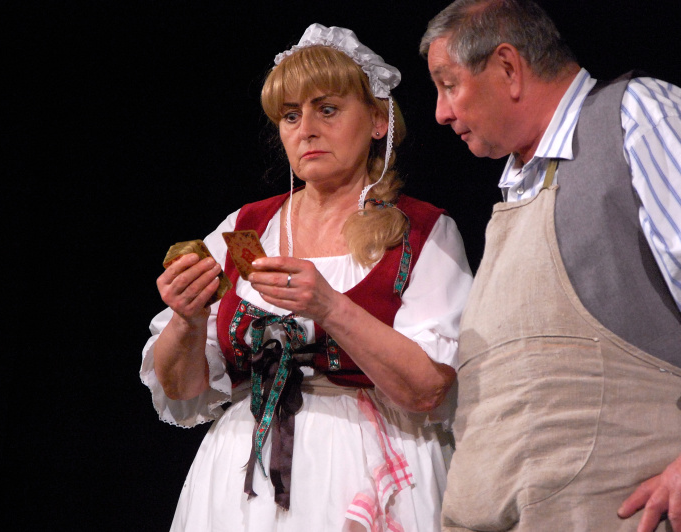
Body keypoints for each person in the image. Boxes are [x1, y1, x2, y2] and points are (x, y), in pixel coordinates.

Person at [420, 1, 681, 531]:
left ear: (508, 67)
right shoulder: (518, 189)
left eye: (449, 85)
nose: (441, 112)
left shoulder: (638, 115)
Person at [141, 23, 473, 532]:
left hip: (368, 464)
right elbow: (182, 389)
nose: (306, 130)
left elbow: (427, 389)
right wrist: (187, 319)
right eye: (291, 115)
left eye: (328, 109)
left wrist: (330, 307)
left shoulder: (422, 232)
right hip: (241, 481)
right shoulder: (246, 227)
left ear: (378, 119)